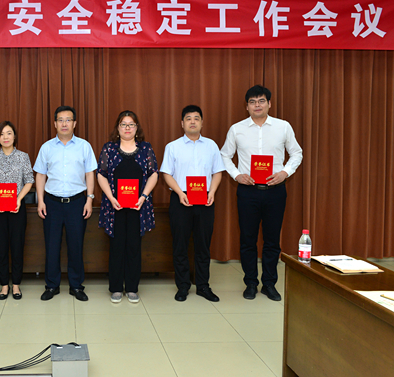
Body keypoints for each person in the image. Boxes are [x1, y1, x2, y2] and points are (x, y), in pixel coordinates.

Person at [220, 85, 303, 301]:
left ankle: (269, 284)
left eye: (261, 101)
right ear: (246, 106)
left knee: (272, 240)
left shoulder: (283, 127)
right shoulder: (236, 129)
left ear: (269, 104)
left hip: (275, 191)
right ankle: (250, 283)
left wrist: (285, 172)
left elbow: (296, 153)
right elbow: (224, 155)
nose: (257, 105)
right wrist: (237, 175)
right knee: (247, 240)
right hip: (248, 192)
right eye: (252, 102)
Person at [160, 105, 225, 302]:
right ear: (182, 123)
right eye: (188, 118)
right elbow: (166, 173)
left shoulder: (211, 146)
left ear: (202, 122)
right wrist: (180, 193)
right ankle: (182, 286)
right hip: (181, 198)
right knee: (180, 244)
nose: (193, 122)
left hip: (205, 199)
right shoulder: (173, 147)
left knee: (203, 245)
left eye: (196, 118)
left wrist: (212, 192)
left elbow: (217, 172)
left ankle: (203, 285)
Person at [33, 106, 97, 302]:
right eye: (60, 120)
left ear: (74, 123)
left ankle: (76, 285)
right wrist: (40, 200)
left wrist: (89, 199)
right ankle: (52, 285)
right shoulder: (46, 147)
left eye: (68, 120)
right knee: (52, 246)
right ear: (55, 123)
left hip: (77, 202)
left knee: (76, 245)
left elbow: (90, 174)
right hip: (52, 203)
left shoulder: (84, 146)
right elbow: (40, 175)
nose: (64, 123)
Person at [97, 111, 158, 303]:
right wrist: (111, 197)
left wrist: (143, 196)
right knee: (116, 246)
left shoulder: (146, 148)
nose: (127, 128)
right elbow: (101, 174)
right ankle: (116, 288)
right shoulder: (109, 149)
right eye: (123, 124)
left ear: (137, 128)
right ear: (118, 128)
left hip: (138, 207)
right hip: (114, 207)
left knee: (134, 246)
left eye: (131, 124)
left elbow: (153, 173)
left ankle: (132, 288)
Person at [0, 121, 34, 300]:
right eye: (2, 134)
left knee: (17, 246)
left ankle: (16, 284)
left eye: (9, 133)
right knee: (1, 246)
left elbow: (29, 180)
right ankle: (4, 285)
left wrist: (19, 199)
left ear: (14, 136)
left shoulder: (23, 157)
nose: (5, 137)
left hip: (17, 208)